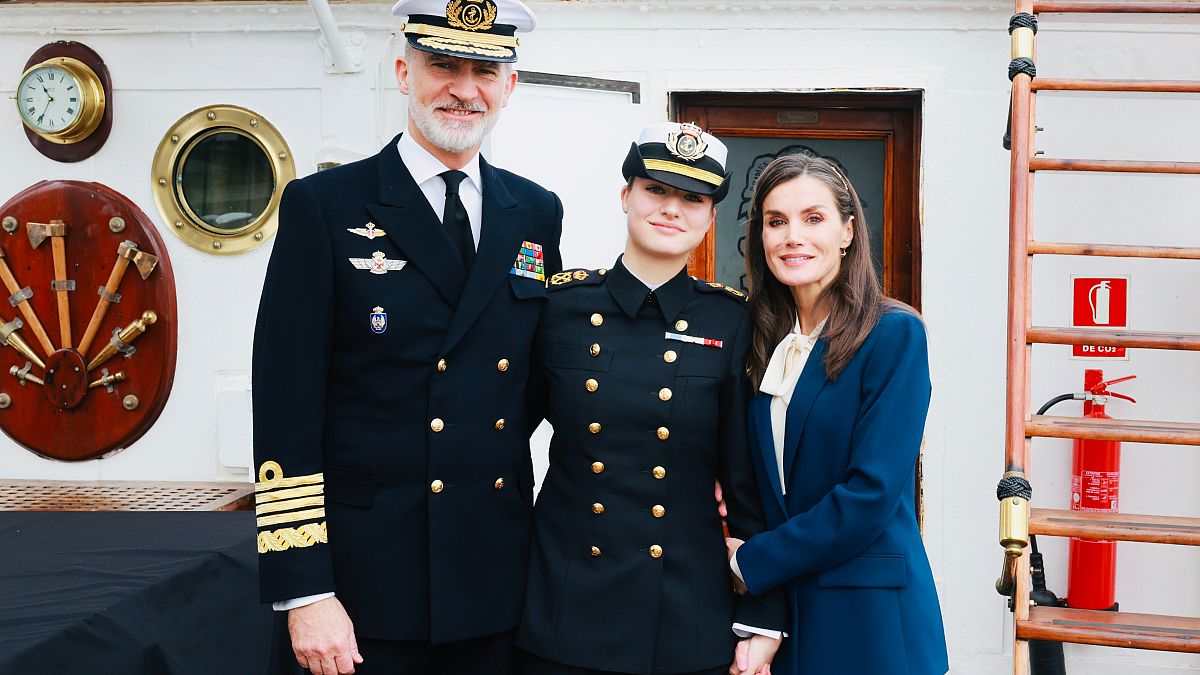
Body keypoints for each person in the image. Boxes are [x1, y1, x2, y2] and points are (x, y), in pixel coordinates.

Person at [251, 0, 563, 673]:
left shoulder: (535, 212)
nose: (464, 89)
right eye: (443, 65)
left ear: (509, 85)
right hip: (362, 586)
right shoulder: (324, 206)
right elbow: (283, 408)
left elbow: (540, 380)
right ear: (403, 72)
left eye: (485, 71)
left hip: (493, 577)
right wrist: (305, 589)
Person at [516, 122, 786, 675]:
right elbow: (501, 438)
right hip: (565, 603)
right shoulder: (561, 307)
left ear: (710, 218)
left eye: (693, 199)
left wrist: (762, 615)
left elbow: (745, 481)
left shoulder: (731, 321)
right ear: (626, 196)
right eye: (656, 190)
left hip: (685, 610)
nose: (671, 209)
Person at [724, 154, 949, 674]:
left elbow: (870, 494)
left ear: (847, 231)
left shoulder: (893, 334)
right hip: (789, 615)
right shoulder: (760, 338)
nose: (793, 237)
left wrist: (752, 562)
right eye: (776, 221)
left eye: (813, 218)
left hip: (869, 617)